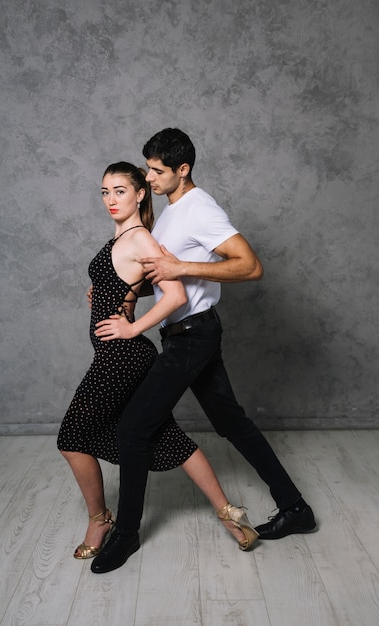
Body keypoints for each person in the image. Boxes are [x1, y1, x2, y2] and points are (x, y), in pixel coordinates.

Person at [91, 129, 316, 574]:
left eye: (156, 171)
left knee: (134, 427)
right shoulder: (172, 213)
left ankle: (127, 535)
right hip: (186, 334)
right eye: (148, 169)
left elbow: (250, 266)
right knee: (234, 423)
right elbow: (165, 277)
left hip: (193, 337)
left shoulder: (201, 209)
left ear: (183, 169)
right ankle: (296, 509)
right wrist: (128, 294)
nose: (149, 177)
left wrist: (180, 267)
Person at [57, 161, 259, 562]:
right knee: (165, 436)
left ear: (139, 194)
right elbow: (127, 280)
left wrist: (133, 328)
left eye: (119, 191)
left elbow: (176, 296)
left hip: (122, 357)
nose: (110, 199)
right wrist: (102, 290)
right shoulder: (124, 238)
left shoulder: (140, 239)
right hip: (118, 356)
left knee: (71, 437)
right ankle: (228, 513)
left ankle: (100, 519)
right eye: (104, 192)